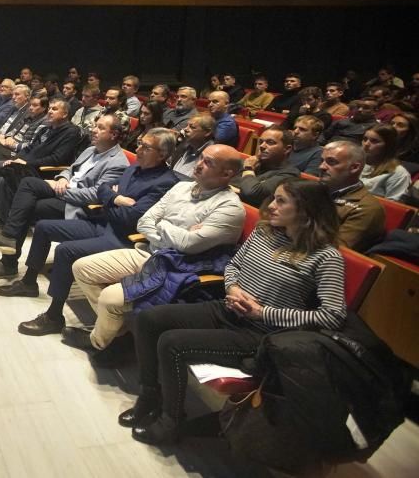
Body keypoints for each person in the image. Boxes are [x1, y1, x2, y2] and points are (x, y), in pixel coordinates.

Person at [124, 179, 346, 446]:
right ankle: (150, 395)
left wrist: (263, 313)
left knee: (172, 344)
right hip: (228, 309)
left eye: (281, 201)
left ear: (307, 210)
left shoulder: (326, 257)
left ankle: (171, 420)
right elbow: (233, 266)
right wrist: (233, 288)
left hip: (263, 333)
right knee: (149, 318)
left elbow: (332, 315)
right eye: (273, 198)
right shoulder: (264, 232)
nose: (271, 206)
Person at [66, 144, 247, 365]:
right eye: (201, 157)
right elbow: (143, 223)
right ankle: (122, 335)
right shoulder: (181, 188)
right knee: (82, 268)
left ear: (227, 174)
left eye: (208, 162)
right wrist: (172, 230)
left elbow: (188, 246)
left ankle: (100, 342)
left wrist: (161, 225)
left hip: (178, 268)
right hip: (150, 253)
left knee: (109, 299)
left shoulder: (229, 208)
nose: (199, 164)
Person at [2, 129, 178, 336]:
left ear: (162, 154)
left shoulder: (165, 183)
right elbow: (103, 189)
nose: (138, 149)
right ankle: (28, 282)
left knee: (66, 251)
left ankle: (53, 317)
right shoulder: (134, 170)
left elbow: (131, 219)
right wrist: (114, 199)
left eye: (146, 147)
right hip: (102, 223)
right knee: (44, 227)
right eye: (139, 143)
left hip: (123, 238)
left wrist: (110, 198)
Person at [0, 115, 131, 277]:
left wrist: (58, 190)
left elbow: (96, 195)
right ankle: (8, 242)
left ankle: (8, 251)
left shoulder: (118, 163)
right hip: (64, 190)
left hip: (78, 205)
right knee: (15, 183)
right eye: (95, 125)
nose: (94, 130)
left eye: (101, 128)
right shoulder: (91, 150)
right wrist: (62, 178)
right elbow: (70, 169)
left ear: (114, 135)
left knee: (27, 199)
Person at [318, 141, 386, 251]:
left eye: (331, 162)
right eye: (322, 161)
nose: (321, 167)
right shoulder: (313, 190)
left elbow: (336, 250)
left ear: (354, 168)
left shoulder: (367, 209)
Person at [235, 126, 300, 206]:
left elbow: (251, 193)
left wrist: (248, 169)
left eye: (270, 142)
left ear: (287, 149)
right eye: (261, 142)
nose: (262, 146)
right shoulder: (253, 162)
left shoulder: (290, 174)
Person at [360, 124, 411, 201]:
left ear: (388, 146)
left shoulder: (398, 173)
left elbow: (393, 206)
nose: (366, 144)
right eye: (365, 139)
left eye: (374, 141)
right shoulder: (352, 161)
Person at [169, 114, 214, 179]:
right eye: (187, 126)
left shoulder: (212, 156)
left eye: (192, 127)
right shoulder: (183, 145)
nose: (185, 129)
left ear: (207, 132)